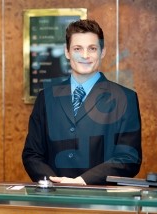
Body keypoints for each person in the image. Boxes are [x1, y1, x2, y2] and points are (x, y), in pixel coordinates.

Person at [22, 19, 142, 185]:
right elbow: (32, 154)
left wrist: (83, 181)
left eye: (92, 48)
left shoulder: (125, 98)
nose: (85, 56)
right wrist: (55, 183)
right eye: (77, 49)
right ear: (67, 52)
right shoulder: (46, 97)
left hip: (102, 203)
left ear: (102, 52)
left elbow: (129, 158)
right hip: (54, 201)